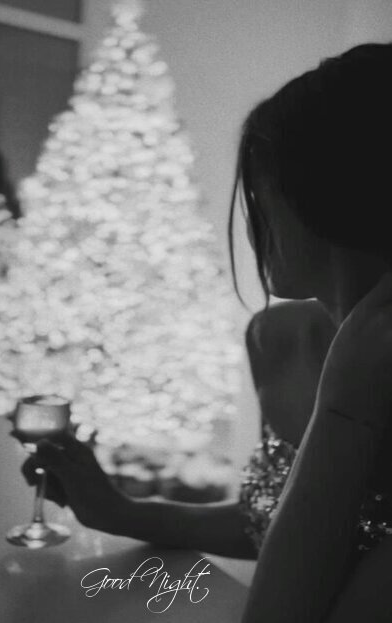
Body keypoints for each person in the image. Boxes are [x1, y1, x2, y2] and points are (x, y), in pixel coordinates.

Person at [22, 42, 392, 622]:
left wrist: (343, 413)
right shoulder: (276, 339)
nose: (249, 213)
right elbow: (275, 521)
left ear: (334, 190)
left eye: (262, 186)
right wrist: (121, 512)